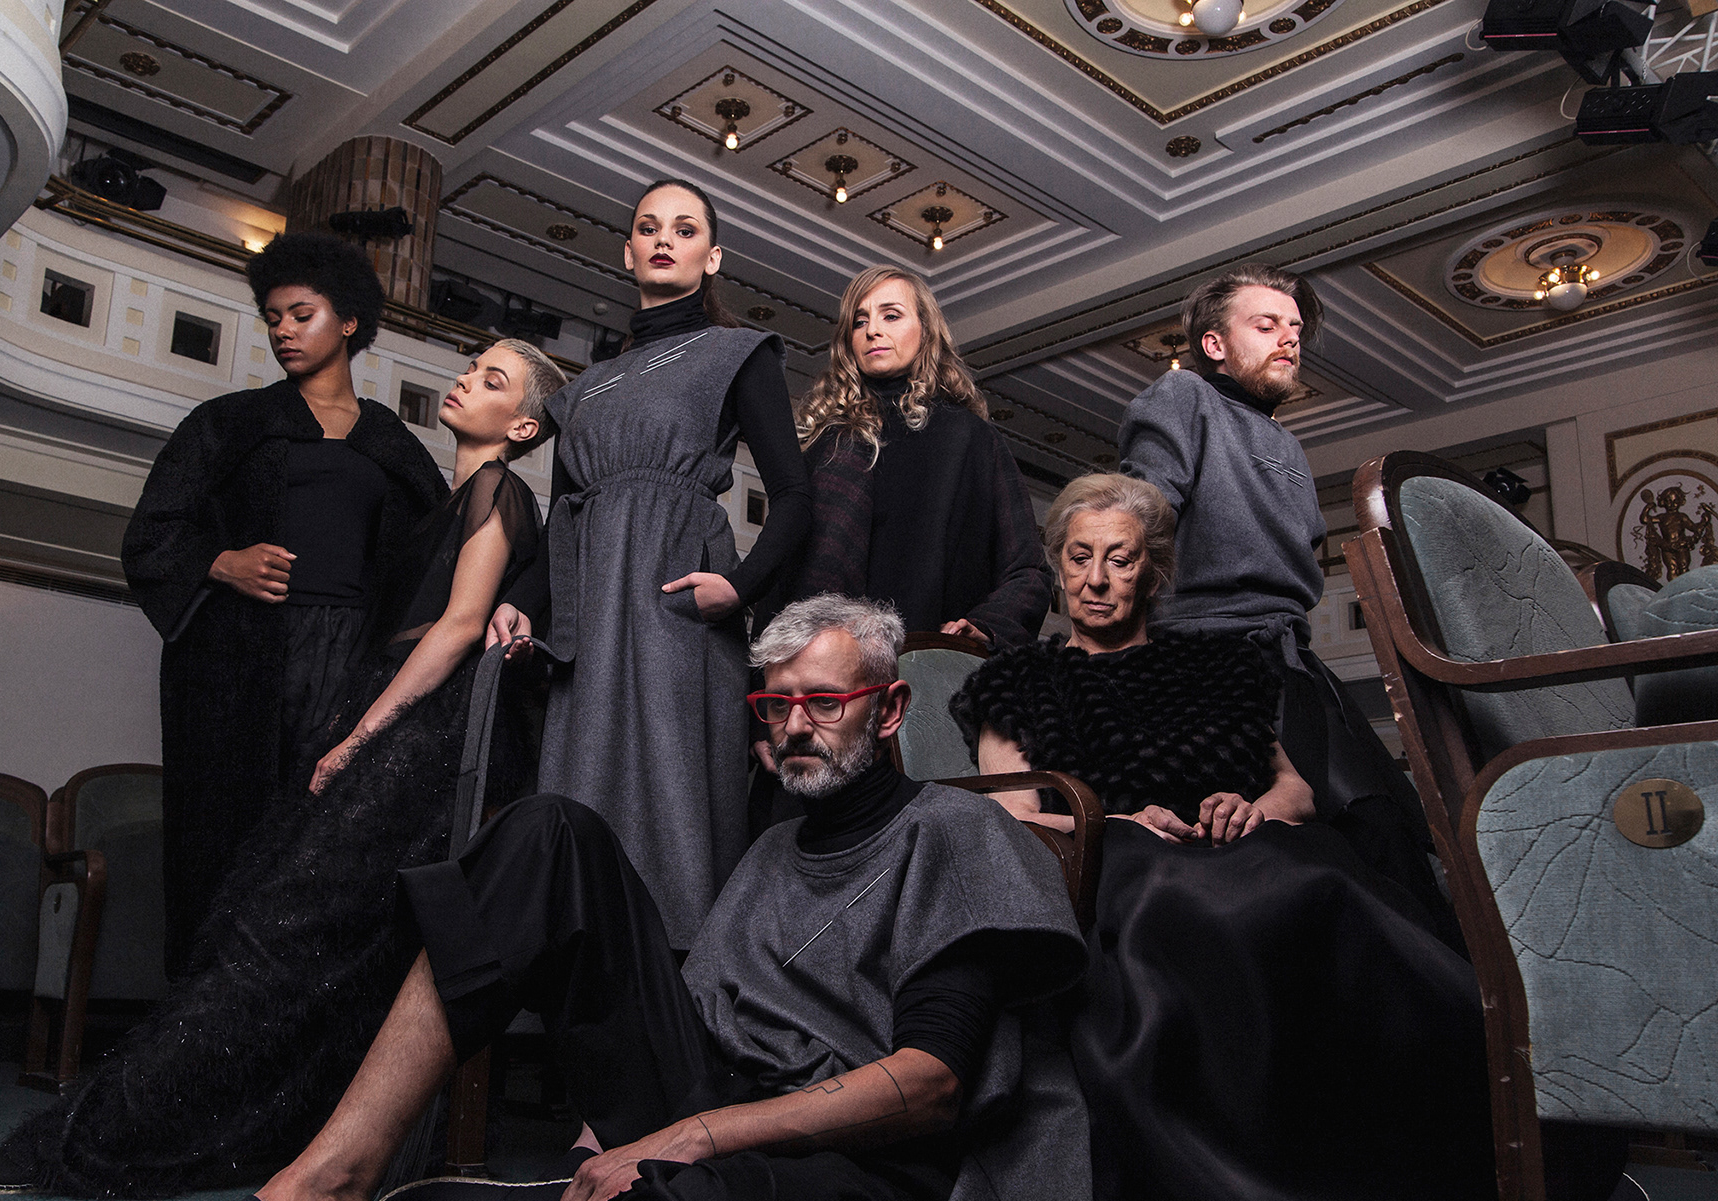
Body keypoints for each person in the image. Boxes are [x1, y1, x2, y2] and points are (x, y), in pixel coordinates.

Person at [94, 596, 1126, 1201]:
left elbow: (931, 1085)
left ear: (890, 708)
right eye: (775, 707)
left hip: (861, 1156)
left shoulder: (956, 833)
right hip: (720, 1098)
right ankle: (329, 1189)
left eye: (825, 702)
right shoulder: (775, 849)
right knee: (548, 829)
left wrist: (688, 1139)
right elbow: (705, 1011)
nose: (794, 728)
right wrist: (628, 1131)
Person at [0, 341, 564, 1200]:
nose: (464, 380)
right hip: (391, 710)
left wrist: (359, 737)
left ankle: (110, 1136)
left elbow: (457, 628)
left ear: (522, 427)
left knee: (281, 936)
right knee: (260, 925)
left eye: (492, 380)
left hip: (427, 731)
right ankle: (162, 1127)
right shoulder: (440, 500)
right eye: (471, 366)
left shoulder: (498, 489)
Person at [950, 473, 1617, 1201]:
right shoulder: (1017, 681)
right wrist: (1120, 822)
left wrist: (1249, 806)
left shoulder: (1217, 665)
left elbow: (1295, 791)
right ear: (1058, 565)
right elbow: (1014, 812)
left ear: (1152, 572)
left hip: (1248, 846)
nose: (1096, 579)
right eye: (1079, 557)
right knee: (1203, 906)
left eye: (1119, 559)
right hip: (1119, 862)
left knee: (1330, 889)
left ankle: (1509, 1159)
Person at [487, 178, 811, 949]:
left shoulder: (738, 354)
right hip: (591, 628)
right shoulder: (582, 392)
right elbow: (563, 518)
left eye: (685, 229)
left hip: (676, 614)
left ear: (712, 257)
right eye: (649, 227)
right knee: (582, 800)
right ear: (628, 252)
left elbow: (798, 499)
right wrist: (520, 599)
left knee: (674, 817)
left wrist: (739, 587)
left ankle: (680, 998)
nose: (665, 239)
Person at [123, 233, 445, 977]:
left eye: (302, 315)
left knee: (331, 836)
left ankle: (308, 1015)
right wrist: (220, 562)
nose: (283, 332)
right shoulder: (228, 423)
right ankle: (202, 1015)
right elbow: (150, 534)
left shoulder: (391, 442)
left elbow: (432, 560)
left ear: (350, 322)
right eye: (273, 319)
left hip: (353, 660)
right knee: (229, 837)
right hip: (242, 661)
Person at [1115, 263, 1438, 896]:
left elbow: (1306, 550)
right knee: (1260, 860)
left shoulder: (1285, 443)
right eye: (1266, 326)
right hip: (1205, 663)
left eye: (1294, 328)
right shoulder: (1183, 396)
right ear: (1215, 344)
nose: (1289, 338)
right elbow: (1138, 523)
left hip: (1292, 665)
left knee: (1385, 829)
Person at [769, 265, 1051, 650]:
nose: (872, 330)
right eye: (859, 321)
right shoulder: (825, 444)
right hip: (828, 660)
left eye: (891, 316)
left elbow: (1028, 570)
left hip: (928, 659)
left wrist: (985, 628)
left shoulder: (971, 439)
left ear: (926, 330)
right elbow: (786, 574)